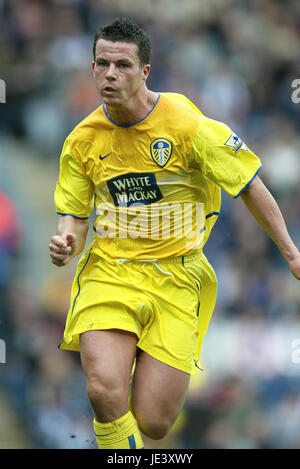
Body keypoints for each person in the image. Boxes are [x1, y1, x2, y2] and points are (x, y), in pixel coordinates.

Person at [49, 17, 300, 450]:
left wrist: (290, 251)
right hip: (111, 272)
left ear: (145, 71)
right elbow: (73, 213)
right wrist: (67, 241)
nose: (110, 74)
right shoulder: (81, 141)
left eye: (122, 65)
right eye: (102, 64)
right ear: (92, 67)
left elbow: (251, 185)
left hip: (177, 277)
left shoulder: (189, 127)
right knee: (103, 389)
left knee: (155, 422)